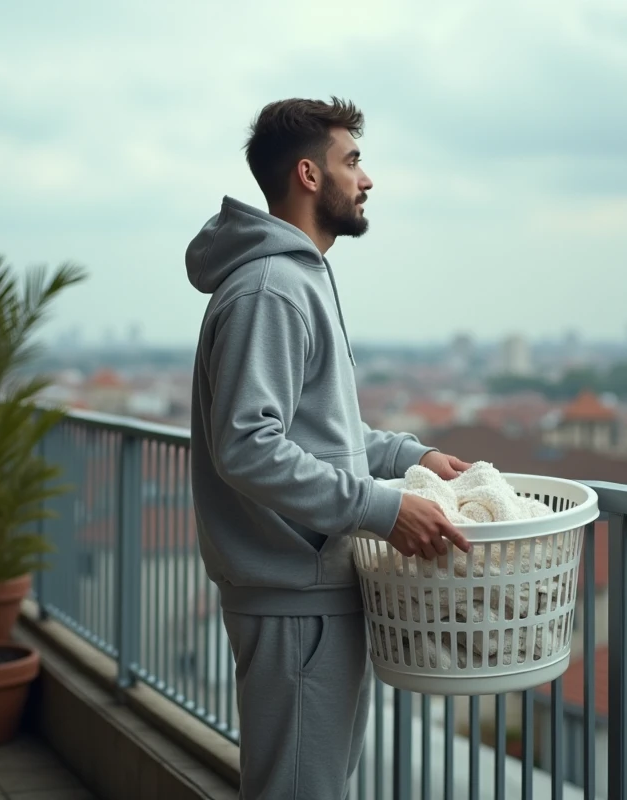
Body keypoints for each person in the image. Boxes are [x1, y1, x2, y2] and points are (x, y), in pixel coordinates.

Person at [184, 96, 474, 800]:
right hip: (294, 594)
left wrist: (408, 459)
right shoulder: (272, 287)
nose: (366, 179)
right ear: (309, 176)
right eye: (353, 161)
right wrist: (383, 509)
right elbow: (250, 447)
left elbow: (323, 437)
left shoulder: (294, 276)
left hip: (309, 589)